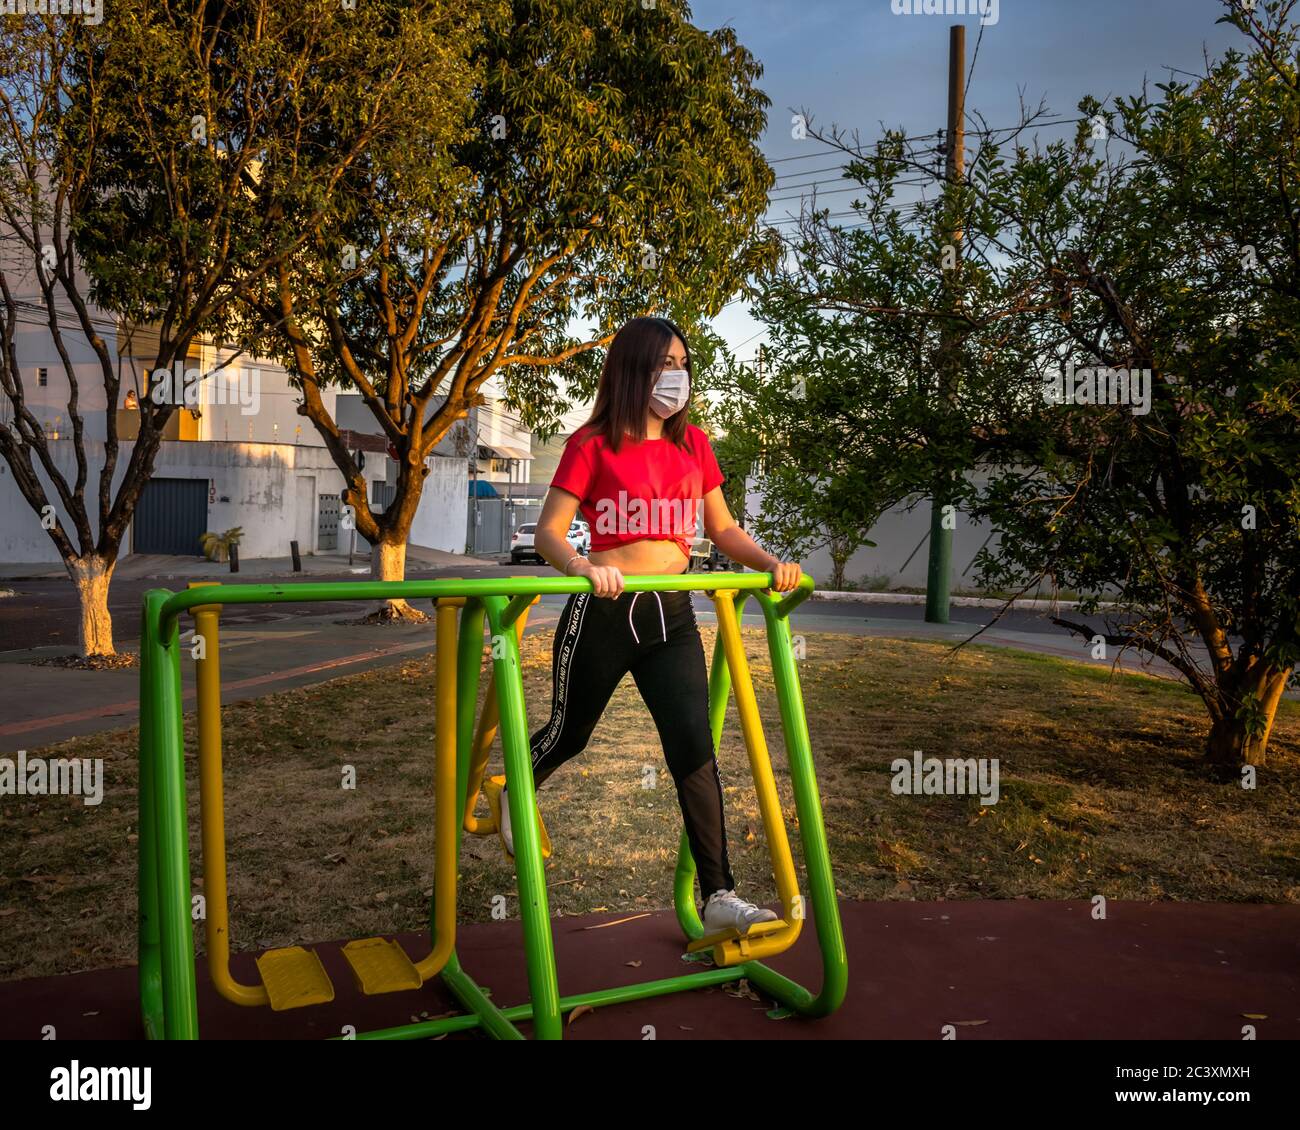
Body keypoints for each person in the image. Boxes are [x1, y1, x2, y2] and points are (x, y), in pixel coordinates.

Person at [499, 315, 803, 936]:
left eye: (683, 364)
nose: (677, 376)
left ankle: (719, 893)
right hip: (605, 610)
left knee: (695, 749)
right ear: (634, 369)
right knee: (570, 733)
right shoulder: (593, 444)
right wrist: (581, 566)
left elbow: (721, 530)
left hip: (673, 614)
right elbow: (548, 532)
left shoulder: (694, 445)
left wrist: (771, 563)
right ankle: (516, 783)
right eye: (665, 364)